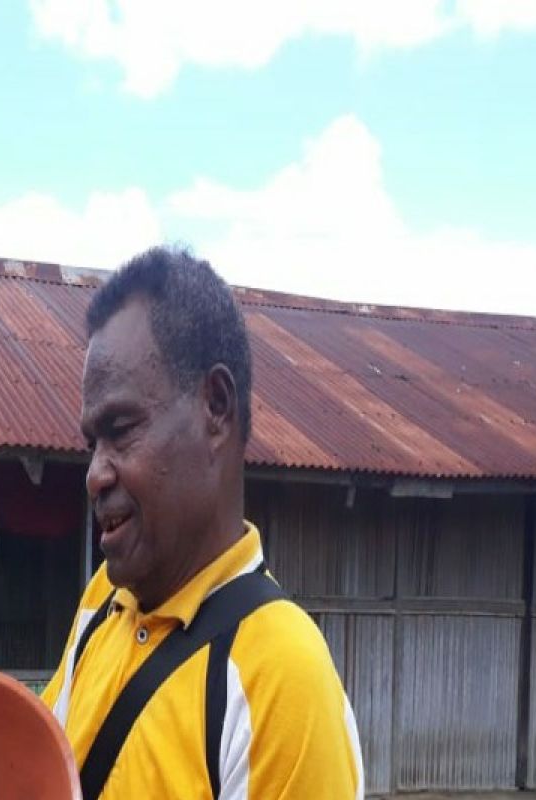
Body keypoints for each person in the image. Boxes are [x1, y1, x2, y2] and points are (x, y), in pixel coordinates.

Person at [43, 247, 364, 798]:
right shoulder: (102, 604)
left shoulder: (282, 679)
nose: (95, 474)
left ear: (215, 407)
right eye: (91, 441)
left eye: (120, 429)